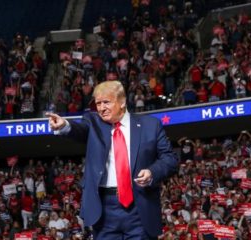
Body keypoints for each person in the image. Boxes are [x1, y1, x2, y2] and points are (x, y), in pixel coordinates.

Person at [48, 80, 178, 239]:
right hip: (104, 211)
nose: (101, 108)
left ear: (122, 102)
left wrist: (152, 172)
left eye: (106, 102)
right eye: (98, 104)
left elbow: (170, 159)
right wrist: (64, 126)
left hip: (140, 207)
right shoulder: (92, 122)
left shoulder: (151, 125)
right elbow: (79, 130)